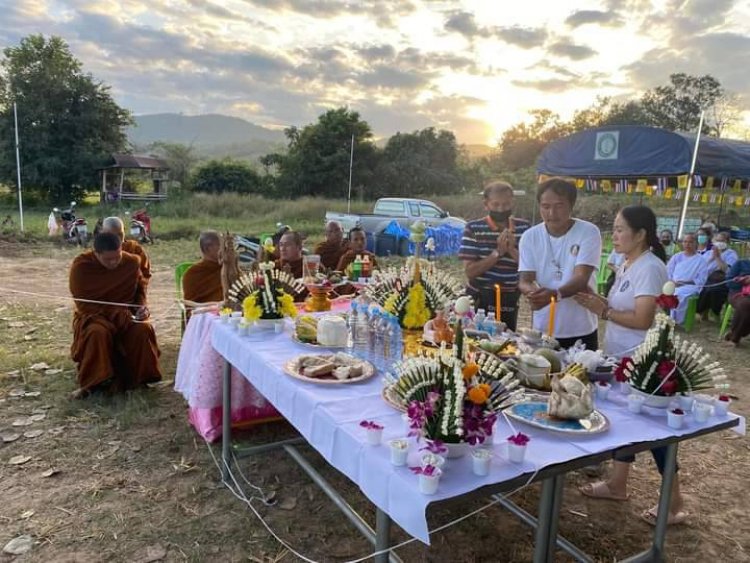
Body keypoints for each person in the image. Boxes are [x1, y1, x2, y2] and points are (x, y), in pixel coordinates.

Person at [574, 205, 686, 526]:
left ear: (640, 235)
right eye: (615, 228)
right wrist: (598, 303)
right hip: (622, 358)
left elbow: (644, 318)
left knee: (655, 435)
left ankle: (675, 503)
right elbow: (618, 307)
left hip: (644, 364)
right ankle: (617, 483)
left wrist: (604, 311)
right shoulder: (627, 263)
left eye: (622, 229)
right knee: (623, 423)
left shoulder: (649, 268)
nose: (616, 234)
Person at [69, 232, 162, 398]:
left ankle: (139, 380)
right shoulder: (81, 266)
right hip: (93, 316)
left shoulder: (132, 263)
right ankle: (94, 384)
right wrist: (115, 314)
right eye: (107, 259)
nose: (113, 263)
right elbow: (83, 304)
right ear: (95, 253)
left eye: (117, 257)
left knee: (142, 329)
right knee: (97, 333)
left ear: (121, 250)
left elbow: (139, 292)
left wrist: (141, 308)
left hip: (126, 316)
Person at [518, 178, 602, 349]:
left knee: (580, 375)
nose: (552, 213)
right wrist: (533, 293)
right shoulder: (530, 236)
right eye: (545, 206)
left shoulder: (588, 232)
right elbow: (525, 279)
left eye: (559, 205)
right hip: (543, 328)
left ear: (571, 205)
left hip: (579, 328)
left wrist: (554, 295)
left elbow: (581, 278)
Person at [459, 181, 530, 331]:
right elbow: (470, 271)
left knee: (506, 344)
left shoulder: (525, 229)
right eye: (496, 204)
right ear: (486, 204)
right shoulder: (473, 228)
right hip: (480, 297)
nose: (501, 209)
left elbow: (530, 268)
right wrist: (497, 253)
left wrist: (511, 250)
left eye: (506, 204)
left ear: (512, 203)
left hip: (509, 299)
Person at [666, 233, 709, 324]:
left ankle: (676, 321)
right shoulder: (677, 257)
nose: (687, 244)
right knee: (665, 293)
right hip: (673, 284)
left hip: (690, 286)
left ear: (696, 243)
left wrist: (684, 283)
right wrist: (671, 282)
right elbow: (668, 271)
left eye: (690, 242)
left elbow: (701, 279)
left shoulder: (701, 260)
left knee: (680, 295)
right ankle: (666, 319)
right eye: (685, 242)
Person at [101, 216, 152, 289]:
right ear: (104, 233)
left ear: (124, 230)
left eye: (120, 234)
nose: (117, 239)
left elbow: (146, 273)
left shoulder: (134, 249)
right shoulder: (99, 252)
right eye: (113, 236)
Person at [697, 231, 738, 319]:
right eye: (717, 240)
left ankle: (715, 312)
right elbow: (701, 268)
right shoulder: (708, 253)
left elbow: (728, 270)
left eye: (722, 241)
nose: (719, 243)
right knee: (703, 288)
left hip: (722, 280)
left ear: (727, 242)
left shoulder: (731, 254)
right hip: (706, 279)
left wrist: (717, 257)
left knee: (713, 290)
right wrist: (712, 258)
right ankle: (702, 311)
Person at [182, 231, 224, 306]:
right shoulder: (192, 274)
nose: (224, 249)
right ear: (208, 248)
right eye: (221, 246)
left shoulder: (228, 269)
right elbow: (189, 307)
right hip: (202, 314)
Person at [724, 259, 750, 346]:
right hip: (738, 293)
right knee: (745, 304)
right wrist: (744, 282)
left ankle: (736, 331)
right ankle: (735, 337)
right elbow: (729, 282)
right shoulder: (741, 263)